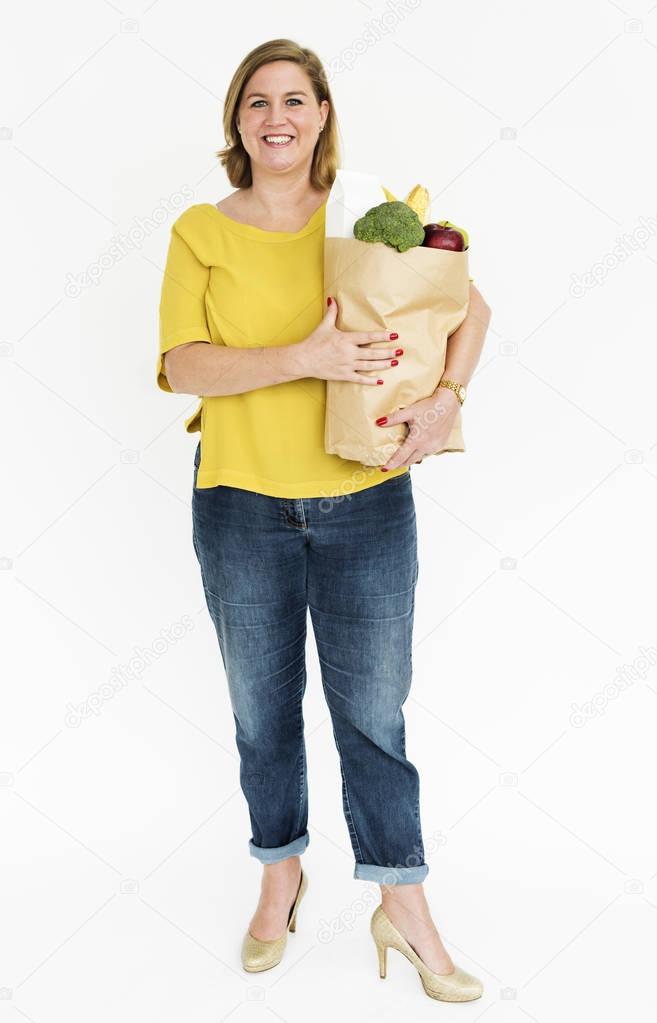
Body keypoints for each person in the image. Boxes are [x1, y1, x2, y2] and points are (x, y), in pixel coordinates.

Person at [156, 37, 491, 1002]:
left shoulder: (362, 218)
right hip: (240, 504)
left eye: (295, 100)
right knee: (263, 715)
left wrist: (445, 404)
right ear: (237, 121)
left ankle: (402, 898)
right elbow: (184, 365)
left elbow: (469, 309)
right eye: (257, 102)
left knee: (373, 717)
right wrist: (303, 355)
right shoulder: (199, 232)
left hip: (368, 502)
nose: (277, 118)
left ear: (320, 115)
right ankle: (280, 873)